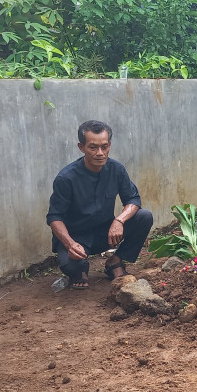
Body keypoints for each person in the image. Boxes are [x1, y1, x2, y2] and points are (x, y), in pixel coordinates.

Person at [46, 120, 154, 290]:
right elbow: (54, 217)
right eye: (93, 147)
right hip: (77, 238)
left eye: (104, 146)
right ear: (81, 147)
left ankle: (116, 261)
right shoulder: (66, 178)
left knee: (144, 216)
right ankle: (80, 268)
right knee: (70, 266)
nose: (100, 153)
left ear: (109, 145)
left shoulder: (117, 170)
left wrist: (119, 221)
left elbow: (133, 200)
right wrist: (70, 244)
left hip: (107, 234)